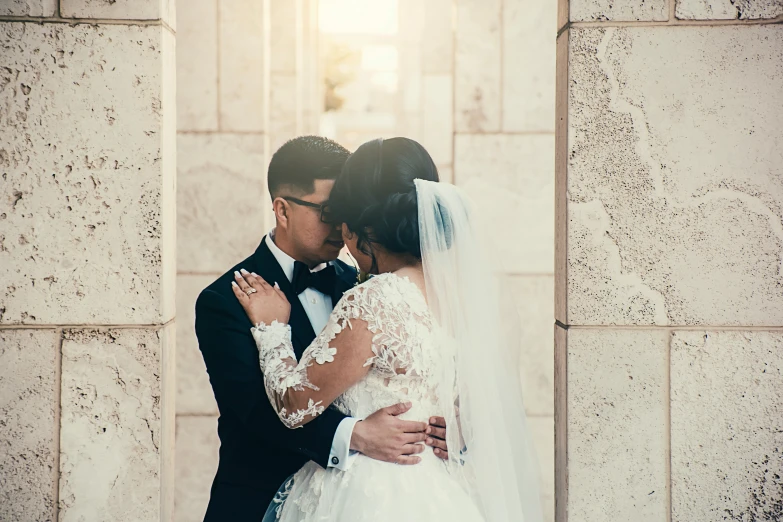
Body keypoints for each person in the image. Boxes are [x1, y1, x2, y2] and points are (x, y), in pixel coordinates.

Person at [231, 137, 544, 521]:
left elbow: (295, 405)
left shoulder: (375, 297)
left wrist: (272, 329)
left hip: (366, 493)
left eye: (341, 221)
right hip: (436, 492)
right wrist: (459, 430)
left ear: (364, 228)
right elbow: (472, 397)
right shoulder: (457, 294)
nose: (342, 240)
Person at [195, 136, 449, 521]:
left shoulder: (370, 284)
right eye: (329, 211)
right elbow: (254, 411)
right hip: (260, 499)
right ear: (282, 210)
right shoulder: (225, 299)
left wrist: (444, 431)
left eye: (347, 210)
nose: (342, 225)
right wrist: (355, 435)